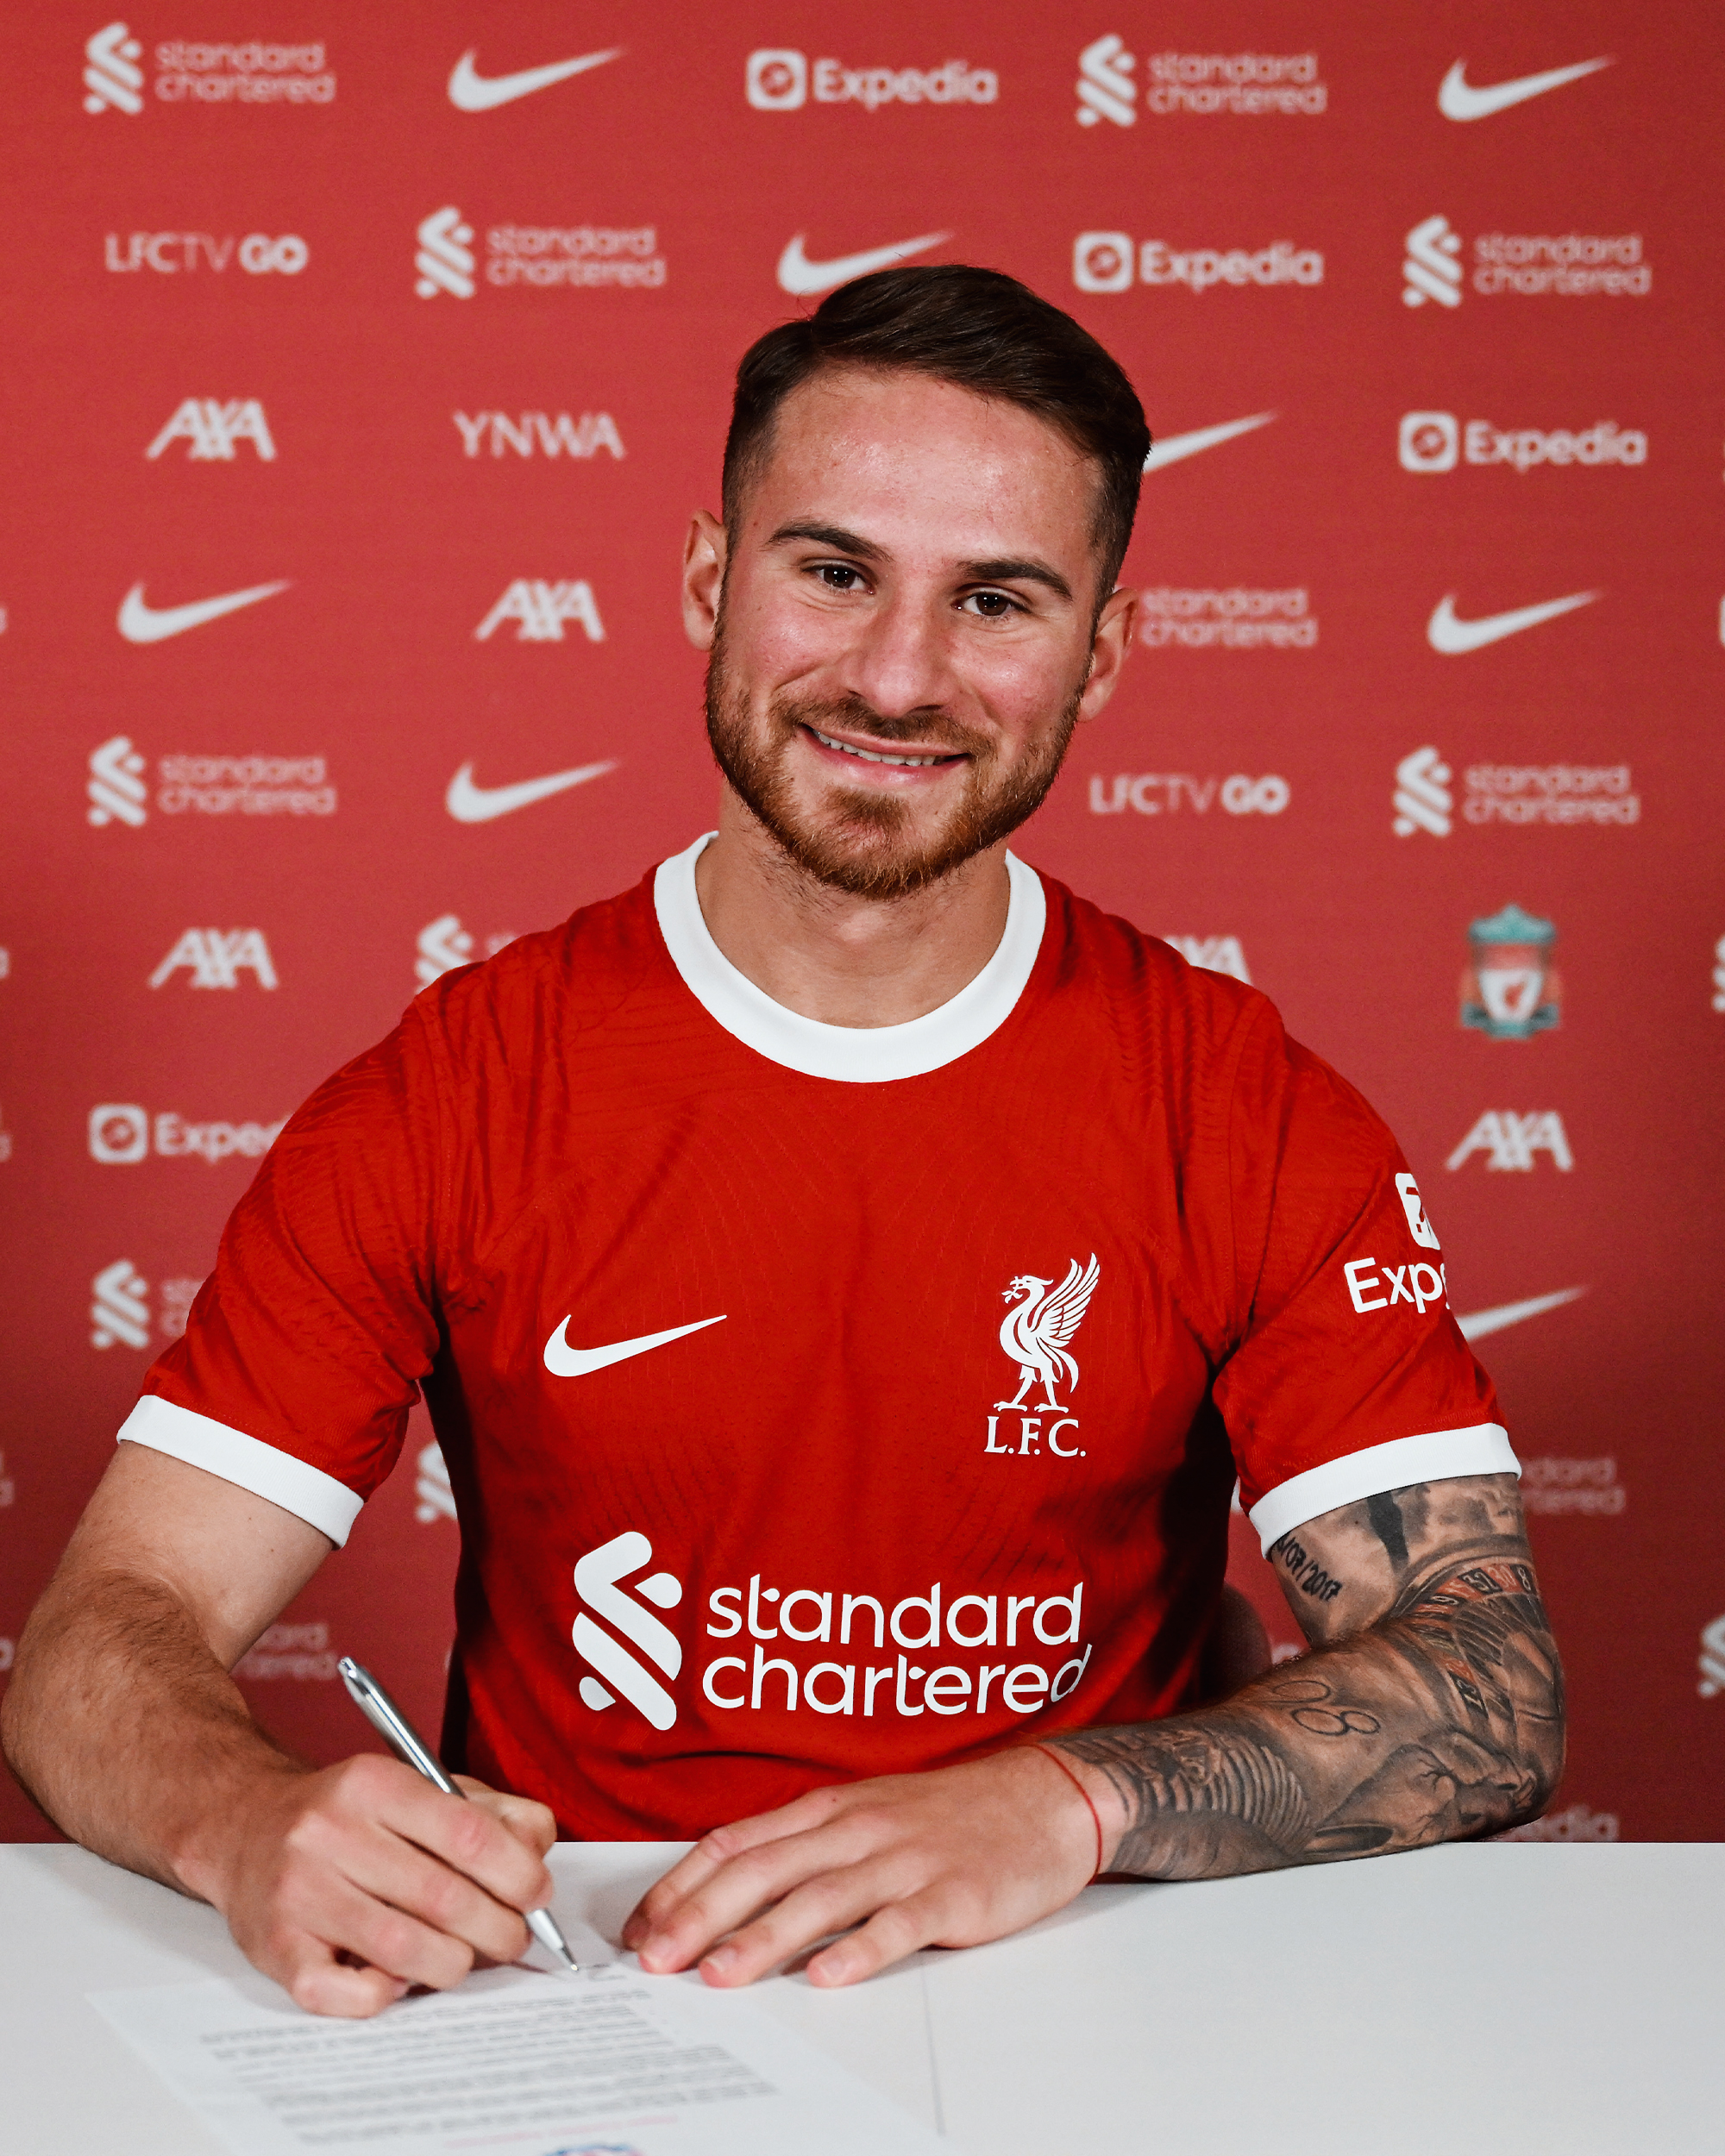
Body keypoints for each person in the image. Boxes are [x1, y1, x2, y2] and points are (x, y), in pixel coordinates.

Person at [3, 267, 1562, 2018]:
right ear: (705, 580)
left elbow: (1486, 1678)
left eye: (994, 599)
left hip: (1089, 1977)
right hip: (581, 1996)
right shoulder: (464, 1086)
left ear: (1104, 651)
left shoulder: (1241, 1103)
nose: (896, 676)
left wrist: (1064, 1800)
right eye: (831, 570)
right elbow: (96, 1634)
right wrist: (245, 1817)